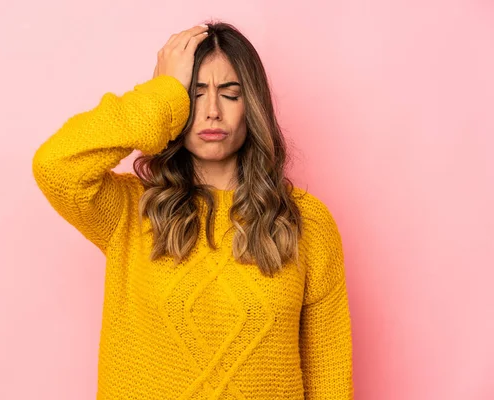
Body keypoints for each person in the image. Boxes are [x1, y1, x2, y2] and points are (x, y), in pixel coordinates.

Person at [32, 21, 353, 400]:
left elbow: (328, 379)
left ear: (253, 105)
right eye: (195, 94)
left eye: (230, 94)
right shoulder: (131, 210)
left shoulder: (306, 222)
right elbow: (55, 166)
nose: (213, 111)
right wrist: (160, 96)